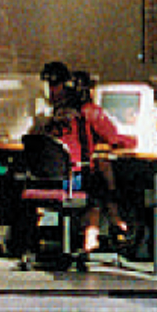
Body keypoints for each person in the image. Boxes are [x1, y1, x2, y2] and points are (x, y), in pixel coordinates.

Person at [40, 66, 137, 254]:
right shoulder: (91, 112)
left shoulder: (58, 113)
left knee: (101, 171)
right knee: (102, 182)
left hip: (48, 179)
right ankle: (101, 231)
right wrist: (137, 140)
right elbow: (113, 139)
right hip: (73, 180)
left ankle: (101, 229)